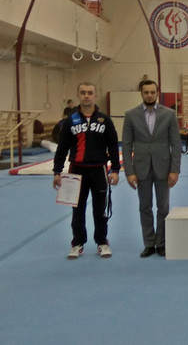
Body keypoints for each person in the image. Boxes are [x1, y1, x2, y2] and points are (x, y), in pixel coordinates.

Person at [52, 82, 120, 259]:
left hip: (99, 170)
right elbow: (62, 148)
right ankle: (77, 243)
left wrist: (115, 169)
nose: (86, 96)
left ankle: (102, 242)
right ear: (78, 95)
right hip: (76, 171)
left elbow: (113, 146)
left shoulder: (104, 120)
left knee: (100, 210)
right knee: (77, 210)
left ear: (95, 95)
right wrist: (57, 172)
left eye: (90, 93)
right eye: (83, 93)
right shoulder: (70, 120)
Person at [122, 80, 181, 258]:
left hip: (164, 166)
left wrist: (175, 169)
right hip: (141, 168)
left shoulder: (169, 114)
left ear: (157, 93)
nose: (149, 95)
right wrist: (129, 171)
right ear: (141, 93)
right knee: (144, 207)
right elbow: (126, 145)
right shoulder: (131, 115)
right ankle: (149, 243)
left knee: (163, 207)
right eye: (146, 92)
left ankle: (161, 243)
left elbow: (176, 144)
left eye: (152, 92)